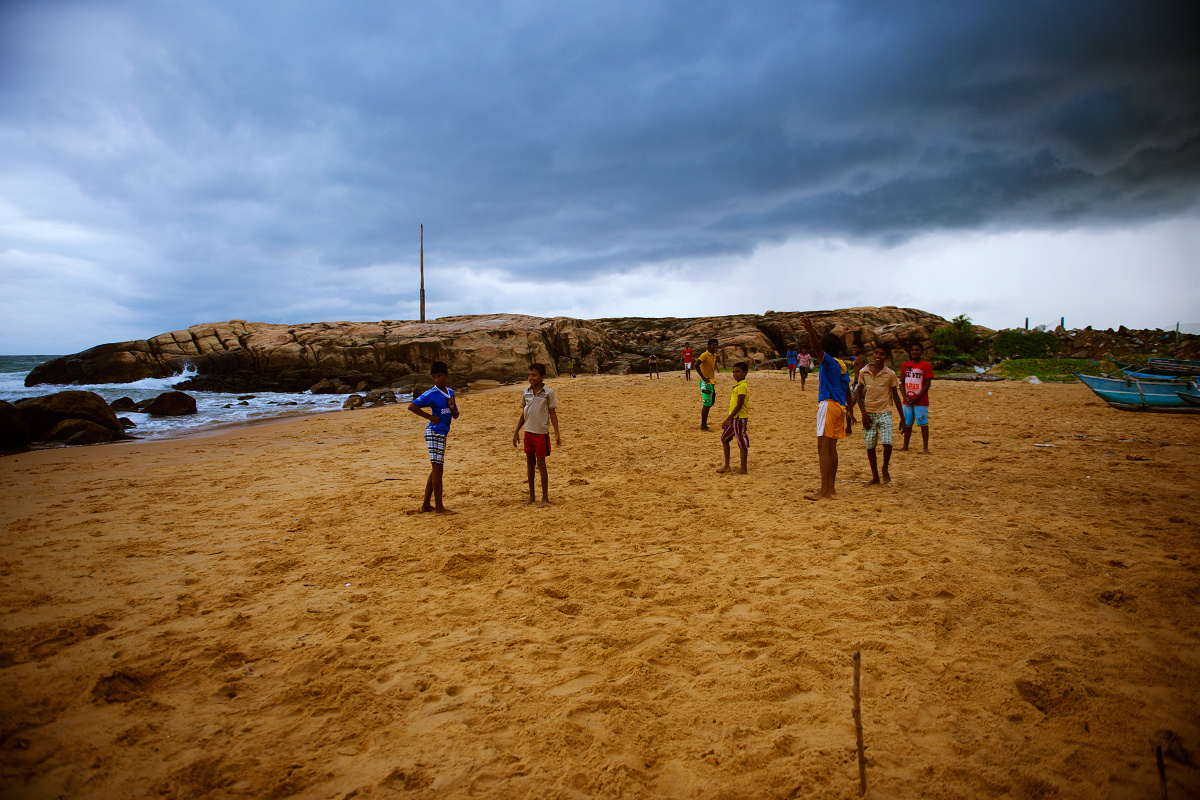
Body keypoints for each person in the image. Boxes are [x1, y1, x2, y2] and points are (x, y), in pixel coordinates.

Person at [800, 316, 850, 501]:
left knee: (823, 447)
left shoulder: (829, 363)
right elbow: (847, 390)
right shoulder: (842, 366)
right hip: (840, 407)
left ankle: (825, 491)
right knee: (832, 449)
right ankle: (831, 487)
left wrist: (811, 330)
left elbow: (816, 348)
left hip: (828, 405)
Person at [407, 361, 460, 514]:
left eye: (440, 376)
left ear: (446, 376)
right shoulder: (431, 393)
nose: (437, 380)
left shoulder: (449, 392)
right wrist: (430, 417)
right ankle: (439, 507)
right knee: (438, 469)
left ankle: (425, 505)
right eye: (434, 377)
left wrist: (452, 407)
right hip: (434, 432)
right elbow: (412, 406)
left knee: (436, 469)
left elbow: (455, 415)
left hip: (442, 432)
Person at [512, 362, 561, 507]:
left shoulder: (548, 393)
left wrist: (557, 434)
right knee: (529, 464)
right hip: (529, 433)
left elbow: (553, 414)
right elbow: (524, 413)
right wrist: (516, 431)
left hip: (541, 434)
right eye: (529, 375)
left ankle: (545, 497)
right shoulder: (526, 392)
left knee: (541, 464)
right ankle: (532, 495)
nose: (530, 378)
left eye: (534, 375)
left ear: (542, 377)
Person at [855, 346, 905, 486]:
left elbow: (895, 396)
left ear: (887, 357)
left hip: (885, 412)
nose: (878, 356)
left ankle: (885, 468)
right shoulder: (864, 372)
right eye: (876, 353)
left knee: (887, 443)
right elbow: (858, 393)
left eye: (882, 354)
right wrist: (863, 413)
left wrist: (903, 417)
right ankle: (875, 476)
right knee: (870, 446)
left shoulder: (890, 374)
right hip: (869, 413)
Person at [717, 361, 750, 474]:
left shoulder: (742, 386)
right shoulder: (738, 385)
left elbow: (739, 405)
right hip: (734, 419)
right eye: (734, 372)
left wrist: (728, 418)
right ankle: (727, 465)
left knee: (741, 442)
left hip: (739, 418)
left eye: (738, 372)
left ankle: (743, 469)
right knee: (724, 438)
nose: (735, 374)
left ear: (745, 373)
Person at [901, 343, 933, 453]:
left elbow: (927, 384)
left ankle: (925, 447)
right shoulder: (905, 365)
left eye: (917, 350)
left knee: (923, 423)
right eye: (913, 350)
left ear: (922, 352)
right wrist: (905, 396)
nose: (914, 352)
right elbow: (901, 382)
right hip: (908, 400)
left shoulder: (926, 366)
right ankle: (905, 446)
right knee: (908, 424)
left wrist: (917, 398)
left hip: (921, 401)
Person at [696, 338, 718, 430]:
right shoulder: (704, 355)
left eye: (716, 345)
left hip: (711, 381)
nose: (715, 347)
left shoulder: (714, 355)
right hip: (705, 382)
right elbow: (696, 364)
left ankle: (704, 422)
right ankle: (703, 425)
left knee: (711, 401)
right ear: (708, 346)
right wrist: (703, 377)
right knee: (707, 403)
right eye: (713, 345)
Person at [847, 343, 867, 426]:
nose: (853, 349)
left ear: (861, 349)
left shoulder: (860, 359)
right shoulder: (861, 358)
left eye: (855, 348)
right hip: (858, 384)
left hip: (859, 384)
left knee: (849, 405)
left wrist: (860, 386)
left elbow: (862, 373)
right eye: (852, 348)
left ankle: (848, 427)